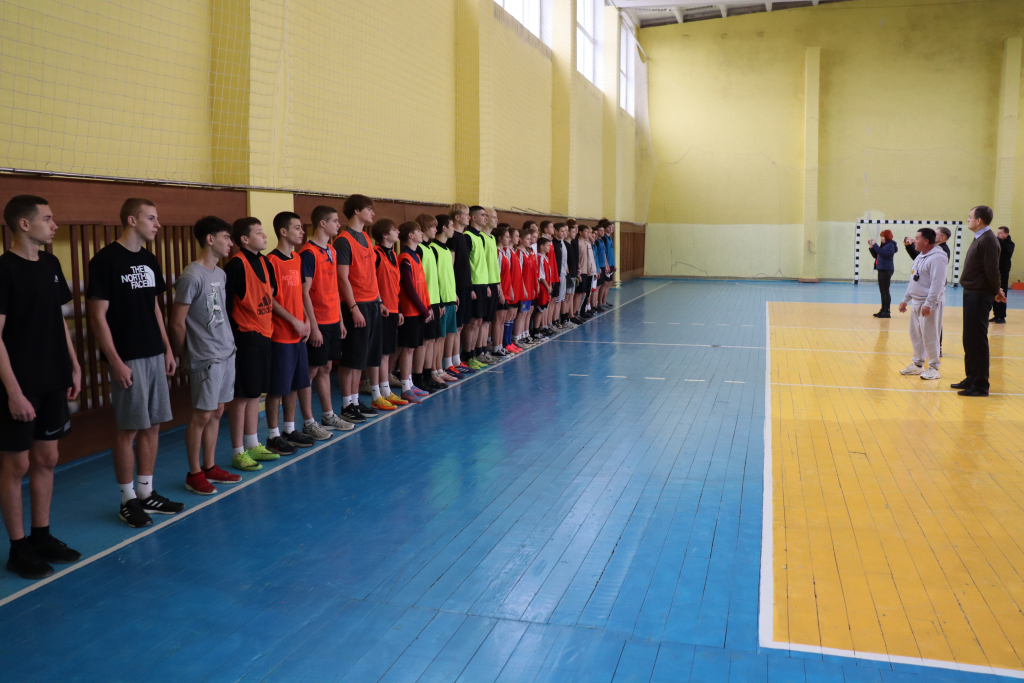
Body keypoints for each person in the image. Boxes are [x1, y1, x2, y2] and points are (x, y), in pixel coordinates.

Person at [87, 198, 183, 528]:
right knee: (128, 429)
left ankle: (146, 492)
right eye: (151, 218)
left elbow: (154, 307)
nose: (157, 224)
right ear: (131, 220)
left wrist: (167, 348)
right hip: (127, 357)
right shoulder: (105, 260)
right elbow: (97, 316)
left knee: (153, 425)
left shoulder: (149, 258)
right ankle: (127, 499)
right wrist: (115, 360)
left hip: (154, 353)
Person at [0, 195, 82, 578]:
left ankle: (41, 535)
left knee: (47, 458)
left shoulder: (51, 264)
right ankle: (18, 548)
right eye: (47, 219)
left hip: (53, 377)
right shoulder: (4, 270)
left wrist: (74, 364)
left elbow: (58, 319)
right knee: (17, 463)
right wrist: (13, 391)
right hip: (19, 383)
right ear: (24, 224)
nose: (55, 225)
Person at [168, 216, 244, 497]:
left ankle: (210, 466)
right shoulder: (191, 276)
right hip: (205, 356)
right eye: (226, 237)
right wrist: (184, 355)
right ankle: (194, 473)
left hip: (226, 352)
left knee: (218, 411)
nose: (230, 243)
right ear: (210, 239)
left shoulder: (220, 274)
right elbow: (177, 322)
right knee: (202, 415)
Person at [265, 212, 331, 452]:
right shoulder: (271, 261)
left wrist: (307, 321)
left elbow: (300, 295)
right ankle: (273, 436)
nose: (302, 232)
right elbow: (269, 299)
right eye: (296, 228)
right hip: (280, 335)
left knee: (294, 385)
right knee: (277, 388)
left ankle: (289, 429)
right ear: (283, 232)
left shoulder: (296, 258)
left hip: (299, 335)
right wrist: (293, 320)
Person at [224, 217, 280, 470]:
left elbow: (271, 292)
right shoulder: (236, 265)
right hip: (245, 337)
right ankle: (238, 451)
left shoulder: (265, 262)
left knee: (255, 394)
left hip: (264, 334)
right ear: (244, 239)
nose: (264, 235)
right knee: (241, 396)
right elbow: (227, 307)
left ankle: (252, 443)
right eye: (259, 232)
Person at [298, 206, 353, 432]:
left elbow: (334, 287)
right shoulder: (308, 253)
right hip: (318, 322)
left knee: (326, 367)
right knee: (311, 371)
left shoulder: (331, 249)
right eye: (335, 221)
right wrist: (313, 326)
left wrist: (340, 320)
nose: (338, 225)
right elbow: (304, 293)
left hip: (332, 320)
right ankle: (308, 422)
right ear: (322, 223)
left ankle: (328, 415)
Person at [335, 195, 385, 424]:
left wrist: (379, 301)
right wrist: (353, 307)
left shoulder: (366, 237)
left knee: (362, 358)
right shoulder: (343, 240)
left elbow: (371, 274)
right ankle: (347, 404)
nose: (372, 213)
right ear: (356, 211)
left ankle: (355, 401)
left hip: (372, 304)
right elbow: (342, 278)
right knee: (351, 358)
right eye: (369, 209)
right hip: (356, 305)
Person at [952, 206, 1006, 397]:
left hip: (979, 294)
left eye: (970, 217)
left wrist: (996, 290)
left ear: (979, 220)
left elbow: (992, 270)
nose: (968, 220)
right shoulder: (980, 238)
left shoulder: (988, 240)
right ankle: (972, 377)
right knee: (969, 338)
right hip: (972, 293)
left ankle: (980, 385)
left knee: (977, 340)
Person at [897, 228, 947, 381]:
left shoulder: (938, 257)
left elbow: (938, 283)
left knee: (930, 335)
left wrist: (929, 303)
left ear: (926, 241)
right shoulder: (920, 256)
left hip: (929, 303)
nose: (914, 240)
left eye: (917, 238)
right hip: (917, 301)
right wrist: (906, 299)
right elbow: (914, 279)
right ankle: (918, 365)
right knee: (916, 335)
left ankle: (934, 368)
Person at [369, 218, 409, 409]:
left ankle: (385, 391)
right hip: (381, 310)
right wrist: (380, 303)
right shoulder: (375, 254)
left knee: (387, 353)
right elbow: (371, 283)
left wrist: (399, 309)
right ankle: (377, 393)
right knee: (380, 353)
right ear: (385, 235)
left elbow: (395, 286)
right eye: (394, 230)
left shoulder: (393, 254)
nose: (398, 232)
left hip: (393, 309)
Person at [396, 221, 433, 403]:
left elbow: (422, 285)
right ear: (411, 235)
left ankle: (410, 384)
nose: (421, 233)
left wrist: (428, 306)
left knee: (412, 348)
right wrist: (422, 310)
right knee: (408, 349)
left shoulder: (416, 256)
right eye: (419, 231)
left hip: (419, 310)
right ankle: (405, 387)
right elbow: (409, 289)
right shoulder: (404, 258)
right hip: (410, 311)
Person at [414, 214, 449, 390]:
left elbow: (434, 278)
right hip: (424, 302)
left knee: (431, 340)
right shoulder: (418, 249)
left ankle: (429, 374)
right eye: (433, 227)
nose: (436, 230)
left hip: (434, 300)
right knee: (423, 341)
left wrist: (440, 302)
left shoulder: (430, 249)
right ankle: (418, 376)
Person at [431, 215, 464, 377]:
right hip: (441, 300)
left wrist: (454, 293)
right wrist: (440, 301)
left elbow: (448, 275)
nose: (454, 229)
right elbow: (434, 278)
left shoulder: (446, 249)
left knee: (446, 336)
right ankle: (435, 370)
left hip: (450, 297)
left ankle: (445, 366)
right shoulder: (433, 249)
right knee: (438, 338)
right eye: (451, 226)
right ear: (444, 228)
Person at [447, 204, 475, 375]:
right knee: (454, 327)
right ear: (457, 217)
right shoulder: (453, 238)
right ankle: (449, 361)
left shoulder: (463, 237)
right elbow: (451, 267)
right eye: (466, 214)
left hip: (465, 286)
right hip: (456, 287)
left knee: (460, 326)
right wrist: (453, 291)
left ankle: (457, 360)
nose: (469, 217)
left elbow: (466, 266)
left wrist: (469, 287)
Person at [868, 230, 898, 318]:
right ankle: (883, 310)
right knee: (882, 291)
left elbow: (883, 253)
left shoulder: (890, 245)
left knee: (885, 291)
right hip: (881, 269)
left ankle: (887, 311)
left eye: (883, 236)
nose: (881, 238)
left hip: (886, 270)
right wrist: (871, 247)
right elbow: (876, 255)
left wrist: (875, 245)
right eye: (881, 236)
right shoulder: (884, 245)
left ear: (887, 237)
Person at [992, 226, 1014, 323]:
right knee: (994, 292)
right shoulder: (997, 242)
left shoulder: (1010, 244)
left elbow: (1006, 249)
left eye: (1000, 233)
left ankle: (1001, 316)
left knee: (1002, 293)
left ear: (1006, 234)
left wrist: (997, 239)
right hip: (995, 271)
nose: (998, 235)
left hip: (1004, 272)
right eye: (997, 233)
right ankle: (996, 314)